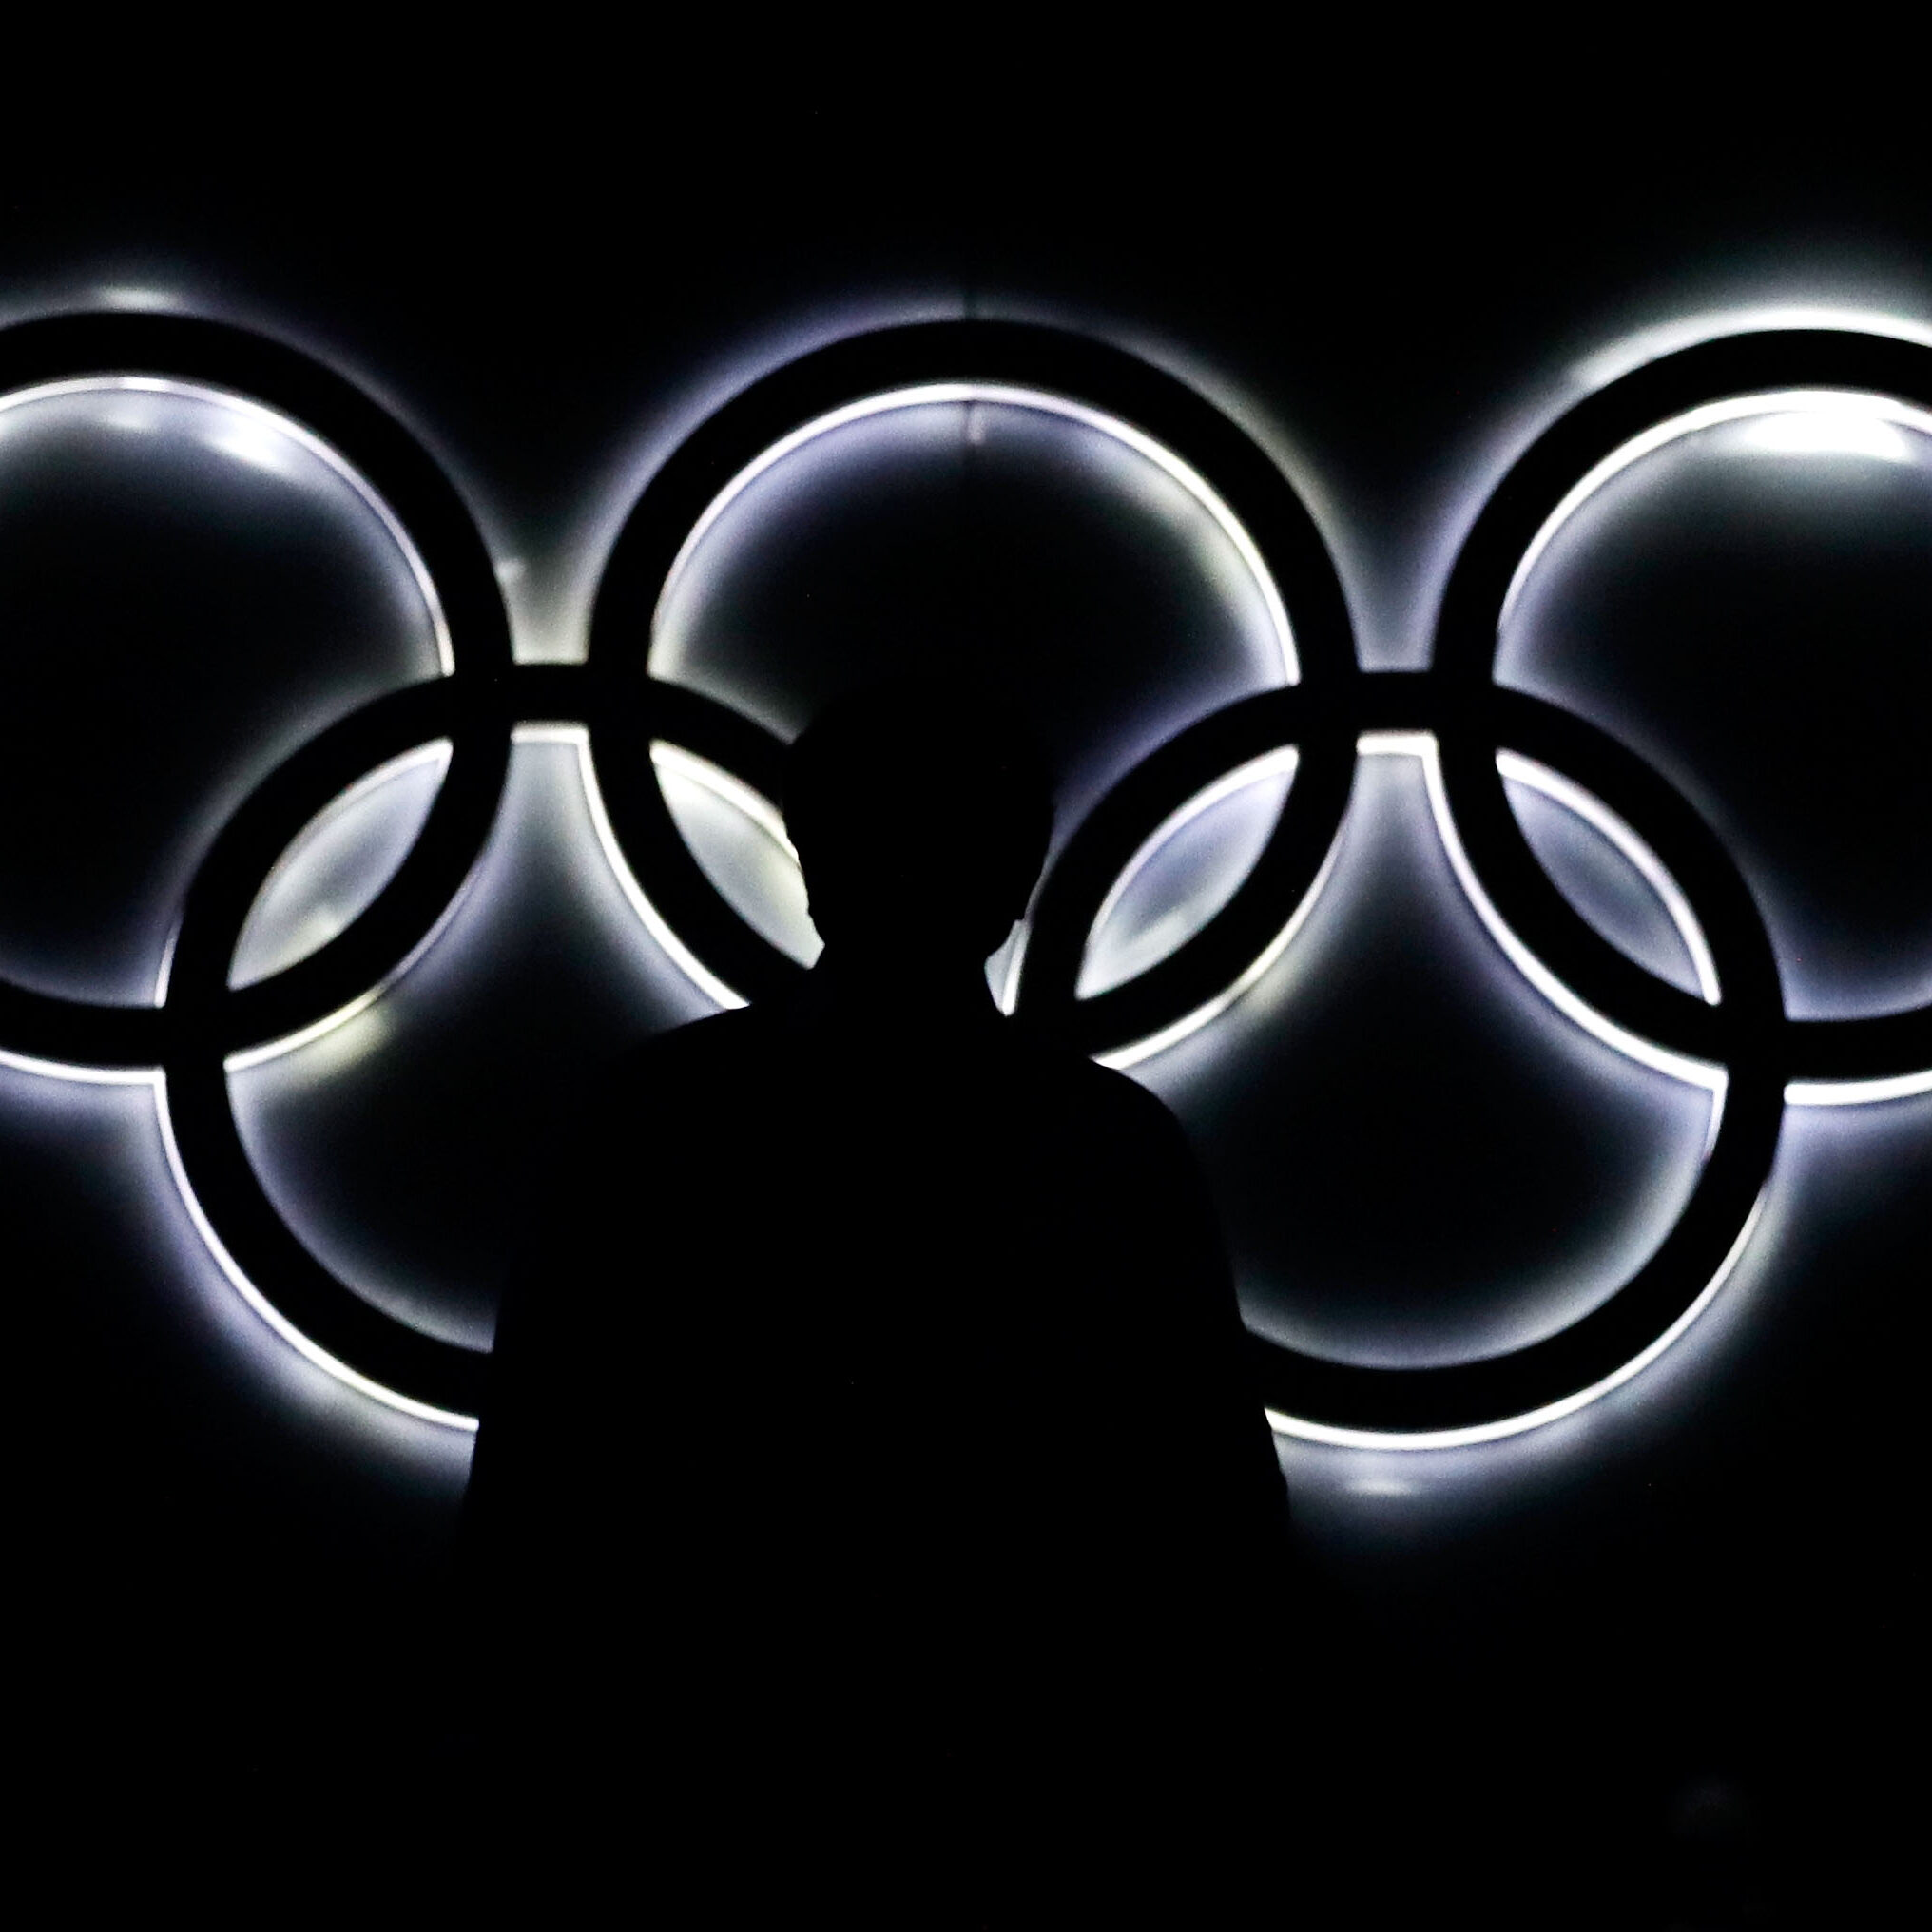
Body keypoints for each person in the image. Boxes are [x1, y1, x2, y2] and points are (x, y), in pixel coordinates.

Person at [462, 679, 1292, 1916]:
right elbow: (1217, 1526)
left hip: (704, 1796)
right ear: (1017, 882)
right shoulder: (1112, 1148)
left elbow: (536, 1496)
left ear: (810, 863)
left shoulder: (657, 1117)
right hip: (1027, 1805)